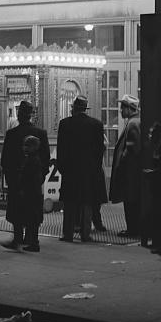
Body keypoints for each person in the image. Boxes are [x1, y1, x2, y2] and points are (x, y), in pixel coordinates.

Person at [0, 101, 49, 250]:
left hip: (16, 180)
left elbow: (5, 160)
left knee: (17, 209)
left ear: (19, 115)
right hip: (33, 182)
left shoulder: (11, 134)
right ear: (31, 115)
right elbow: (46, 160)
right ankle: (31, 239)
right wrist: (41, 177)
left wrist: (10, 178)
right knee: (33, 210)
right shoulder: (41, 133)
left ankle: (18, 238)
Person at [56, 96, 105, 243]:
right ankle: (85, 234)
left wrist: (62, 168)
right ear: (85, 109)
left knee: (70, 202)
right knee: (87, 202)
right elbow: (99, 150)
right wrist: (96, 168)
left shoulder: (65, 124)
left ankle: (68, 234)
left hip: (70, 170)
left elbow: (61, 149)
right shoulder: (96, 124)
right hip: (89, 171)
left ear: (74, 108)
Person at [110, 94, 142, 237]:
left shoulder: (133, 124)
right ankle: (134, 228)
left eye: (123, 107)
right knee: (132, 201)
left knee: (130, 203)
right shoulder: (135, 121)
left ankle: (132, 229)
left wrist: (121, 164)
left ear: (130, 109)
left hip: (130, 173)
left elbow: (132, 149)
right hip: (133, 173)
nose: (120, 110)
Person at [141, 121, 161, 254]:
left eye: (151, 133)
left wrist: (152, 173)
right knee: (158, 215)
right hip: (159, 187)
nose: (149, 136)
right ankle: (159, 244)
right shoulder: (158, 148)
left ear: (158, 135)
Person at [14, 135, 47, 252]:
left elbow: (29, 178)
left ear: (34, 147)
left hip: (31, 193)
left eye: (28, 146)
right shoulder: (33, 159)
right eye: (24, 145)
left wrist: (23, 188)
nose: (25, 148)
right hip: (34, 193)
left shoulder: (32, 160)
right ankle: (32, 241)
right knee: (32, 219)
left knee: (32, 219)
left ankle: (34, 242)